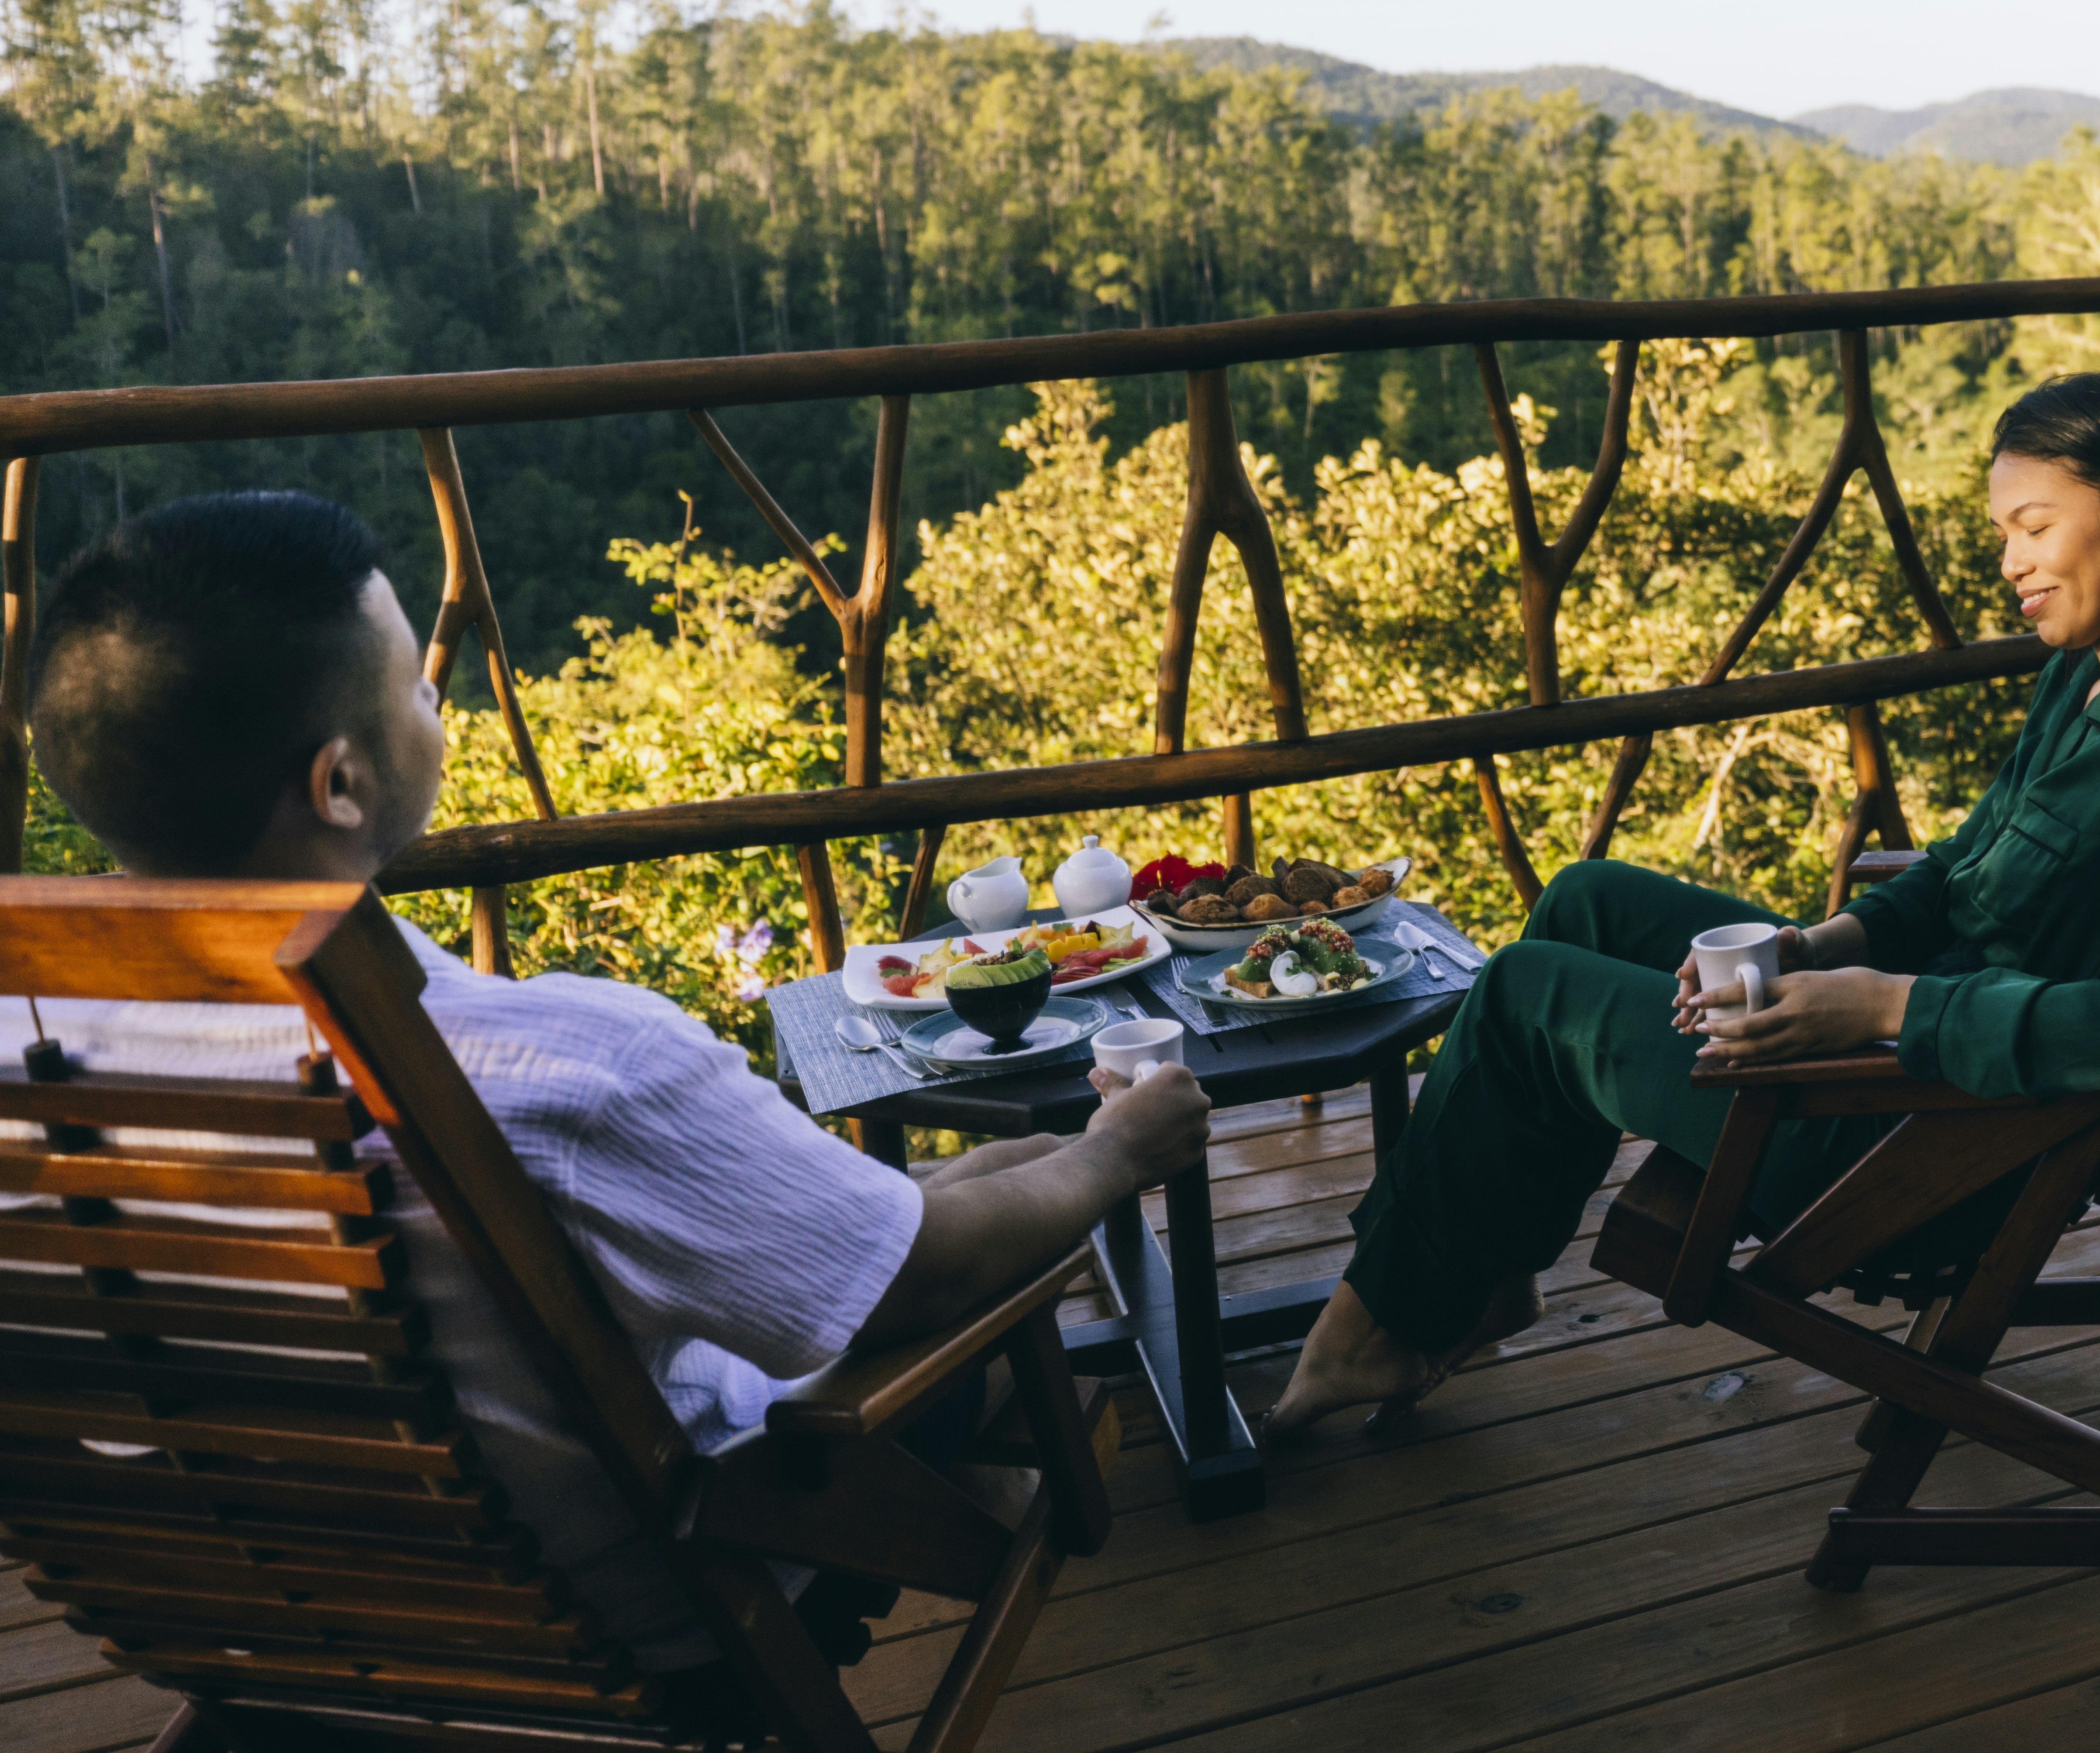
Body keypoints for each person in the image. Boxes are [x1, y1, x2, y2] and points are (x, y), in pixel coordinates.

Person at [9, 490, 1214, 1677]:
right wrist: (1117, 1158)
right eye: (421, 690)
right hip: (640, 1617)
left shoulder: (26, 1067)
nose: (441, 703)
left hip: (259, 1632)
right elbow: (919, 1280)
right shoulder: (561, 1073)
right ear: (340, 784)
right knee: (982, 1304)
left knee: (963, 1201)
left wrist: (1034, 1164)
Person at [1263, 371, 2100, 1435]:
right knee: (1586, 900)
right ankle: (1486, 1271)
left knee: (1524, 992)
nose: (2010, 562)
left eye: (2034, 527)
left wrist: (1879, 1006)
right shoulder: (2090, 672)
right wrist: (1814, 945)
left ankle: (1371, 1324)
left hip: (1917, 1133)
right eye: (2000, 532)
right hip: (1898, 1057)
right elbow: (1961, 872)